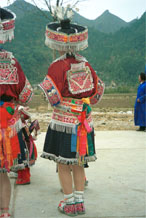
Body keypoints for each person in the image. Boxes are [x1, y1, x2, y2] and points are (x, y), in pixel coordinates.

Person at [39, 7, 104, 217]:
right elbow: (97, 91)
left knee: (63, 163)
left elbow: (53, 98)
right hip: (84, 121)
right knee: (78, 162)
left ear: (58, 44)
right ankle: (80, 201)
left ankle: (69, 203)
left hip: (64, 123)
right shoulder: (86, 64)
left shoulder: (56, 66)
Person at [0, 8, 33, 218]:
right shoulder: (12, 61)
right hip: (7, 121)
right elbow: (27, 94)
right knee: (3, 172)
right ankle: (4, 212)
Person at [15, 107, 39, 185]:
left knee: (18, 146)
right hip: (15, 118)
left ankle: (23, 175)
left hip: (13, 119)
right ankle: (22, 174)